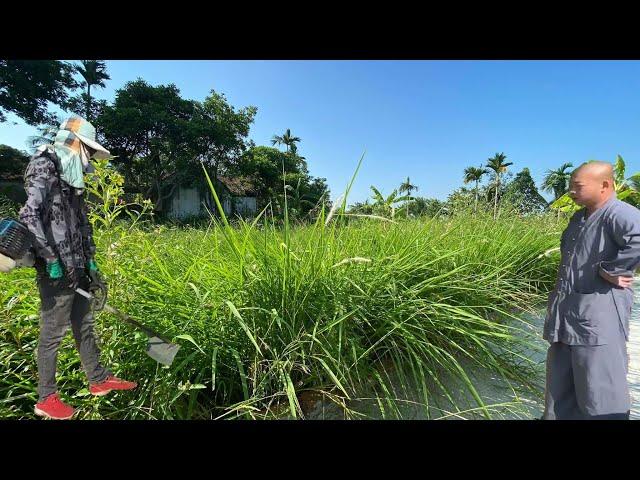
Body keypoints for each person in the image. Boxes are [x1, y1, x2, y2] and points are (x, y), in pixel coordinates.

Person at [17, 116, 137, 420]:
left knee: (84, 325)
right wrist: (51, 260)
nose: (90, 159)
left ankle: (98, 379)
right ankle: (47, 398)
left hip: (78, 264)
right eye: (88, 150)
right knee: (52, 333)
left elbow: (81, 223)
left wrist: (91, 260)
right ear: (75, 143)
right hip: (55, 268)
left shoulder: (73, 176)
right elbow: (29, 215)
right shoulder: (44, 164)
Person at [543, 161, 640, 420]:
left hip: (598, 317)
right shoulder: (579, 216)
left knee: (599, 387)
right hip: (566, 315)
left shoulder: (619, 213)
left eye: (577, 186)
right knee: (560, 387)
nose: (571, 192)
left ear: (605, 185)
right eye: (570, 186)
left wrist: (615, 269)